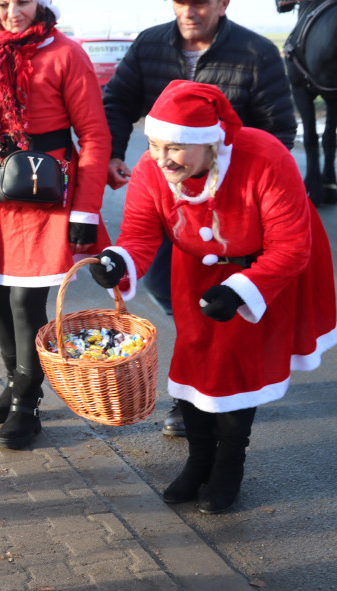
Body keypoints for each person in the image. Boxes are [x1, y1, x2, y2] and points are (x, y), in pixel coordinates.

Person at [89, 81, 337, 514]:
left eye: (176, 148)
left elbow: (292, 246)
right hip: (194, 275)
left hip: (260, 274)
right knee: (195, 359)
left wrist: (243, 288)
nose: (161, 159)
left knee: (237, 368)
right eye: (153, 144)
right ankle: (198, 460)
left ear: (209, 143)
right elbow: (141, 235)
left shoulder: (264, 157)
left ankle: (228, 466)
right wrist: (119, 260)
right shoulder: (154, 169)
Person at [102, 0, 298, 437]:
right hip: (173, 197)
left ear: (223, 3)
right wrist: (116, 152)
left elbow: (278, 130)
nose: (189, 10)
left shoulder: (256, 52)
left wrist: (253, 185)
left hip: (233, 208)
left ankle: (222, 386)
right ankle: (202, 367)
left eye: (201, 1)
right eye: (180, 1)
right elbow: (117, 100)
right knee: (167, 288)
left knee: (224, 307)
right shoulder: (150, 44)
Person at [0, 0, 112, 450]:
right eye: (3, 3)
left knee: (27, 304)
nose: (13, 12)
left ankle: (27, 404)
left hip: (44, 195)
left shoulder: (66, 54)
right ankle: (16, 382)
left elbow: (93, 135)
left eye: (22, 2)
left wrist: (85, 211)